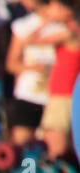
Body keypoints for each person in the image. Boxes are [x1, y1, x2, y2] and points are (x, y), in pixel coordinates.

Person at [5, 0, 67, 142]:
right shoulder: (23, 25)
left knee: (53, 145)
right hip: (29, 95)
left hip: (55, 96)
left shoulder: (64, 24)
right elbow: (11, 64)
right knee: (22, 142)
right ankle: (27, 166)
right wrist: (33, 68)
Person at [41, 0, 80, 157]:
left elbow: (29, 41)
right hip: (64, 95)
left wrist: (44, 21)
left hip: (63, 96)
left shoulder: (71, 32)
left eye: (54, 7)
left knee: (55, 149)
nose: (50, 11)